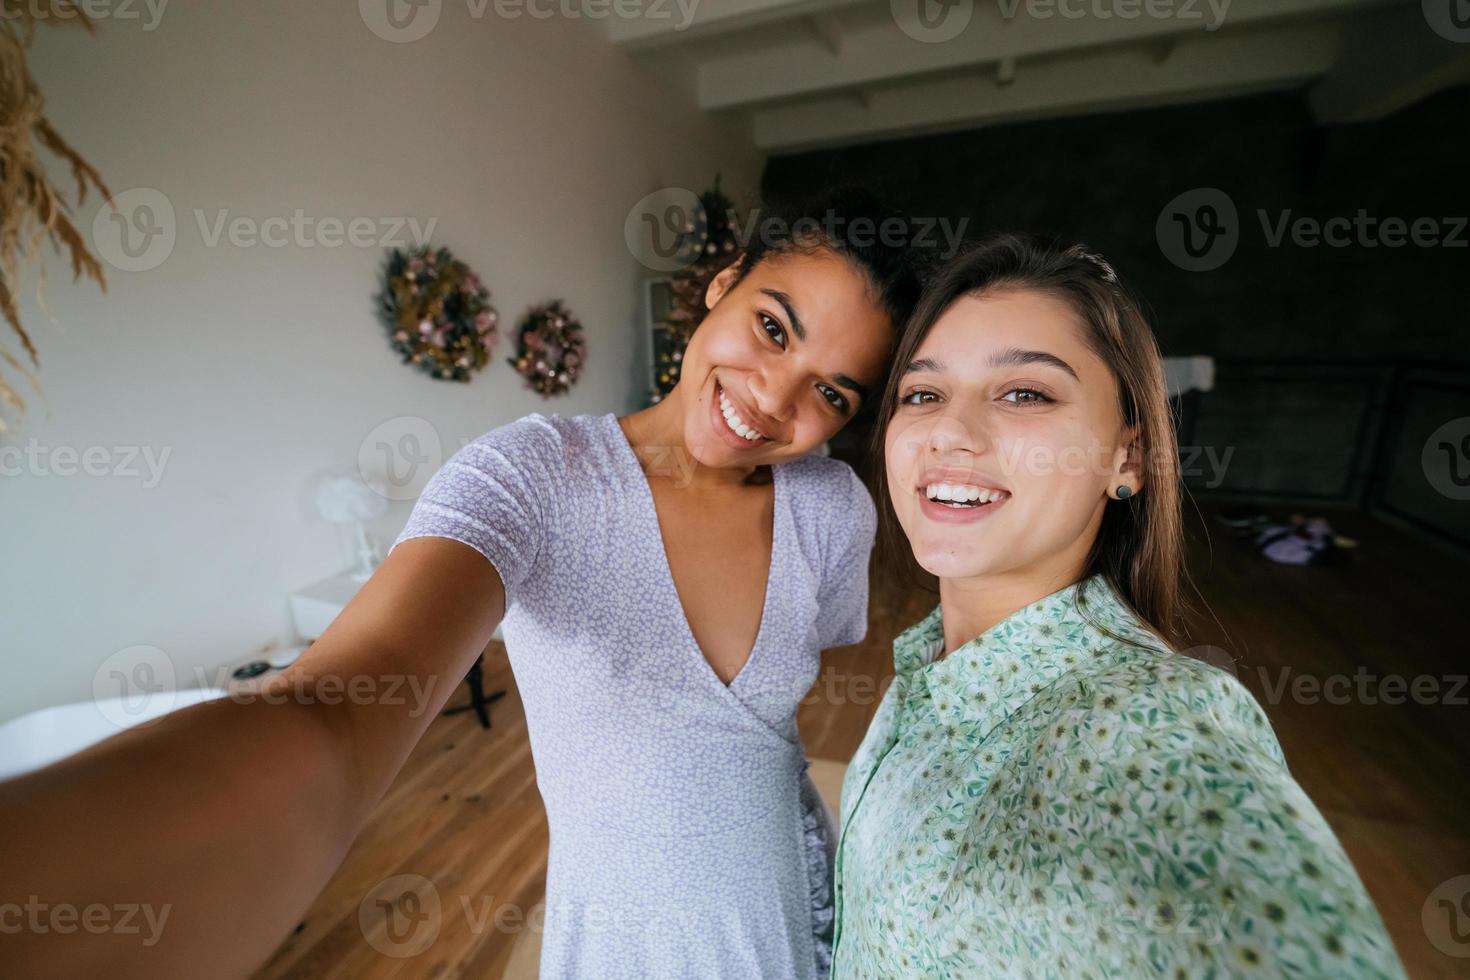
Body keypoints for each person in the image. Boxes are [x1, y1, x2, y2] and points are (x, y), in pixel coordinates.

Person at [0, 190, 921, 980]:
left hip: (794, 900)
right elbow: (334, 708)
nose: (774, 398)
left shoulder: (833, 510)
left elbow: (776, 713)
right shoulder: (532, 478)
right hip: (623, 936)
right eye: (772, 328)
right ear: (722, 286)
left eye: (831, 393)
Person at [829, 234, 1406, 978]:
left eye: (1025, 393)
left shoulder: (1154, 728)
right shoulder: (933, 661)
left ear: (1127, 457)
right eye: (922, 394)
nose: (948, 431)